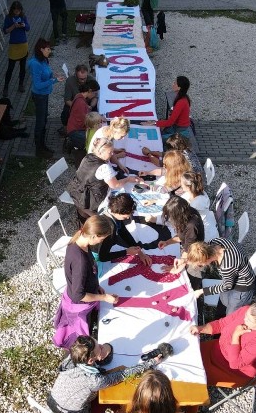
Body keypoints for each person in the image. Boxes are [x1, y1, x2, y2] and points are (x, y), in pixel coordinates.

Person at [47, 335, 167, 413]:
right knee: (109, 395)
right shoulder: (94, 380)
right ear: (90, 360)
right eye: (99, 347)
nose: (101, 346)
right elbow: (122, 375)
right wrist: (151, 362)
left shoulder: (69, 359)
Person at [52, 215, 117, 348]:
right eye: (102, 239)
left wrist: (96, 285)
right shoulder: (80, 261)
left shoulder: (78, 241)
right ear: (93, 236)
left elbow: (89, 272)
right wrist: (103, 297)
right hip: (79, 305)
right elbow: (79, 295)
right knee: (83, 340)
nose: (101, 242)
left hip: (84, 290)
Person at [190, 299, 256, 386]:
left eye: (249, 320)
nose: (244, 319)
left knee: (192, 374)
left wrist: (236, 335)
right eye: (246, 315)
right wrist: (201, 328)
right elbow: (222, 324)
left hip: (234, 370)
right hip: (218, 348)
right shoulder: (247, 310)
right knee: (186, 354)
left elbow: (235, 363)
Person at [67, 138, 140, 224]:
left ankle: (82, 220)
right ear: (100, 152)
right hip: (89, 199)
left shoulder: (88, 156)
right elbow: (115, 185)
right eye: (110, 152)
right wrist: (128, 179)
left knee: (83, 214)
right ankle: (94, 223)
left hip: (77, 190)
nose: (112, 154)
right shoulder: (104, 167)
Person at [186, 238, 256, 318]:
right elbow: (200, 253)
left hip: (243, 287)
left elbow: (227, 286)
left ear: (207, 260)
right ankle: (219, 320)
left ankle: (227, 327)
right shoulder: (215, 242)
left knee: (231, 315)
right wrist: (185, 260)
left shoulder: (227, 265)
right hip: (231, 279)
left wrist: (202, 291)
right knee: (223, 302)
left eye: (200, 265)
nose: (201, 266)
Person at [98, 192, 169, 263]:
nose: (128, 217)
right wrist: (126, 252)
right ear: (120, 212)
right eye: (126, 215)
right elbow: (103, 257)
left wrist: (140, 252)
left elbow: (123, 232)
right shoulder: (110, 229)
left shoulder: (112, 212)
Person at [157, 196, 205, 296]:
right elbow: (182, 237)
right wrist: (167, 242)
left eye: (171, 217)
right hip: (189, 251)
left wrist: (177, 268)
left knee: (190, 287)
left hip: (196, 260)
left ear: (178, 215)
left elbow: (188, 250)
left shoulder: (192, 226)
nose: (170, 219)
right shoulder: (188, 213)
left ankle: (197, 303)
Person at [28, 38, 64, 158]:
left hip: (44, 95)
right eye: (48, 49)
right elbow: (37, 85)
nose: (50, 51)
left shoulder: (43, 59)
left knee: (44, 120)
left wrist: (53, 75)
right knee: (40, 122)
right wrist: (53, 80)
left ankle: (42, 145)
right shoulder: (35, 64)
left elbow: (46, 73)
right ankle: (39, 148)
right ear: (41, 49)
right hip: (39, 96)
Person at [178, 171, 217, 242]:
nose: (180, 185)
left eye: (181, 183)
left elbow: (182, 219)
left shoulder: (195, 205)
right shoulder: (200, 193)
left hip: (204, 236)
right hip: (207, 225)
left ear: (188, 187)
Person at [2, 1, 30, 94]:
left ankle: (21, 84)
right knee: (10, 68)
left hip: (23, 45)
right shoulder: (9, 18)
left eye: (19, 10)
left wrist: (23, 25)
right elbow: (5, 31)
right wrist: (14, 26)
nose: (17, 12)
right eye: (16, 10)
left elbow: (28, 28)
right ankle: (6, 87)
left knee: (22, 67)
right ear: (13, 9)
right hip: (13, 45)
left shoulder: (23, 17)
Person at [64, 82, 97, 151]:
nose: (95, 95)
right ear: (90, 91)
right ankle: (73, 143)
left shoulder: (79, 96)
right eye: (95, 93)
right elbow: (86, 120)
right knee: (94, 140)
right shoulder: (81, 103)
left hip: (74, 128)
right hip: (75, 131)